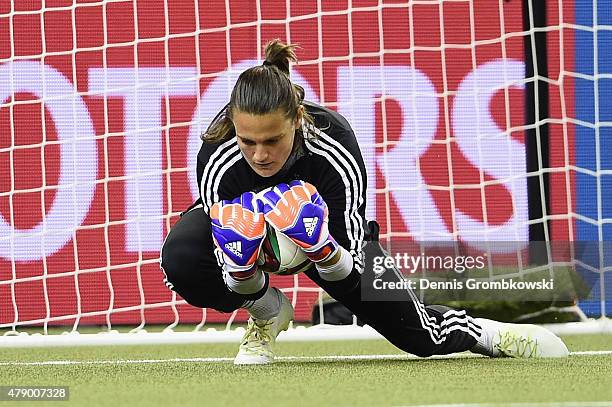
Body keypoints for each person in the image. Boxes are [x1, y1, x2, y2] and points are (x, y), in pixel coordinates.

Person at [160, 39, 569, 364]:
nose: (260, 154)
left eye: (273, 140)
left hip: (332, 246)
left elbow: (347, 263)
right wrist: (246, 267)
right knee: (182, 257)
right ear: (233, 125)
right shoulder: (217, 156)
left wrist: (316, 244)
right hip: (258, 246)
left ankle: (485, 333)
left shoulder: (333, 146)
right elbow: (228, 256)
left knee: (420, 338)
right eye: (248, 141)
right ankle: (267, 315)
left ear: (297, 119)